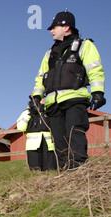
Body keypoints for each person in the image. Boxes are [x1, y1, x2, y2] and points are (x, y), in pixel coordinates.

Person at [30, 10, 106, 170]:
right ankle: (65, 173)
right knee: (58, 141)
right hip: (53, 104)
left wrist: (98, 92)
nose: (50, 31)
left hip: (75, 99)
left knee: (74, 133)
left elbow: (95, 69)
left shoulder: (84, 46)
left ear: (66, 27)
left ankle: (78, 170)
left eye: (54, 27)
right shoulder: (50, 54)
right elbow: (40, 76)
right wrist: (36, 96)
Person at [17, 98, 56, 171]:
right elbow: (21, 127)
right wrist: (30, 114)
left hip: (49, 145)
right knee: (35, 169)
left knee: (50, 169)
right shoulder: (26, 112)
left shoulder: (49, 111)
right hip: (33, 146)